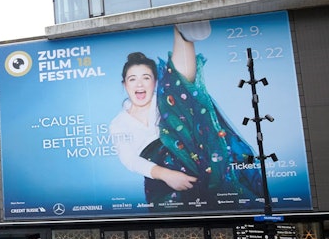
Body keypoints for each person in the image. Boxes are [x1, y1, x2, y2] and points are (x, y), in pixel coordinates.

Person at [110, 22, 260, 205]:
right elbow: (130, 160)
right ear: (124, 85)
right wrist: (167, 175)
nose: (139, 84)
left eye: (146, 78)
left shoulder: (163, 99)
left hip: (195, 157)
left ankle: (183, 33)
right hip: (161, 182)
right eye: (132, 79)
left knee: (176, 91)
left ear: (154, 82)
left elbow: (179, 94)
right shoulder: (118, 123)